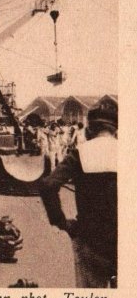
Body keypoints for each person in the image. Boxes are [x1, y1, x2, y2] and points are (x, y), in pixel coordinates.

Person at [39, 105, 117, 287]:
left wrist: (61, 222)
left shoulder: (81, 153)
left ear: (89, 130)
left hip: (90, 236)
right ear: (115, 130)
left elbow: (48, 185)